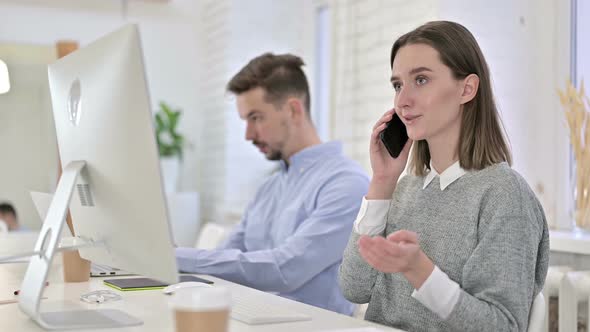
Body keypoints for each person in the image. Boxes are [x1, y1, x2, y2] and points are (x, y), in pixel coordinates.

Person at [338, 21, 549, 331]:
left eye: (421, 80)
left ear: (467, 89)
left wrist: (420, 271)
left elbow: (502, 325)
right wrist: (382, 183)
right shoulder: (404, 188)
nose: (402, 100)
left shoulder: (504, 194)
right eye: (398, 85)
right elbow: (353, 288)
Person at [176, 53, 369, 315]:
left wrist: (175, 256)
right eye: (245, 121)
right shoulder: (269, 188)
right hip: (252, 319)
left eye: (256, 118)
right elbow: (227, 255)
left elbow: (285, 269)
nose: (248, 135)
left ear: (292, 110)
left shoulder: (346, 184)